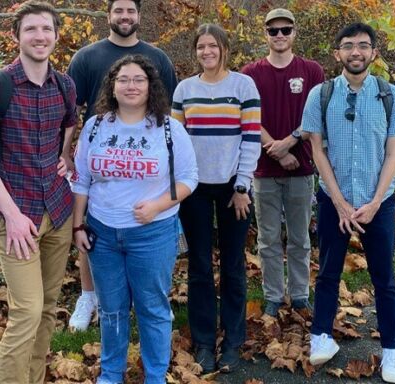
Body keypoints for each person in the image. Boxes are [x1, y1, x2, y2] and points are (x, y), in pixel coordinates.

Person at [0, 1, 77, 383]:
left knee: (47, 307)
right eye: (30, 29)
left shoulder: (64, 84)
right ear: (16, 36)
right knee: (27, 309)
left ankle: (32, 376)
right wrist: (12, 216)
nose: (39, 36)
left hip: (59, 211)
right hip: (18, 215)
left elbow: (68, 123)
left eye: (46, 29)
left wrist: (65, 157)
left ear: (57, 36)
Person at [71, 54, 197, 384]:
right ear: (112, 86)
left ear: (150, 86)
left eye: (138, 80)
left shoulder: (169, 129)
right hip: (103, 233)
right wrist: (77, 224)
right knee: (111, 310)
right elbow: (81, 179)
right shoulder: (96, 125)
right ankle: (111, 374)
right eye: (123, 79)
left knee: (152, 309)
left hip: (152, 233)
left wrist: (157, 205)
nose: (130, 86)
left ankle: (155, 376)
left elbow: (189, 178)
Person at [301, 23, 395, 383]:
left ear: (374, 53)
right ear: (337, 53)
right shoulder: (321, 94)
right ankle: (321, 336)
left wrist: (376, 201)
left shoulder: (391, 95)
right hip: (334, 199)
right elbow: (317, 150)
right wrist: (338, 201)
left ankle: (393, 350)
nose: (356, 52)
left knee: (383, 277)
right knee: (328, 272)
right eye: (348, 46)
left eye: (363, 46)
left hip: (376, 203)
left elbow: (394, 153)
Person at [66, 0, 178, 331]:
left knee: (155, 232)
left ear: (139, 16)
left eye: (131, 11)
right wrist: (65, 152)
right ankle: (89, 296)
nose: (125, 17)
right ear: (109, 15)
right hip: (102, 159)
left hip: (146, 163)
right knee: (92, 230)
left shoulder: (157, 58)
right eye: (119, 11)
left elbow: (168, 111)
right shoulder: (87, 58)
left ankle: (155, 299)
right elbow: (70, 111)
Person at [172, 23, 261, 373]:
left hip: (232, 189)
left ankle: (234, 341)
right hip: (194, 188)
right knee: (199, 266)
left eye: (213, 46)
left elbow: (251, 139)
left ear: (225, 48)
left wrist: (242, 186)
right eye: (201, 47)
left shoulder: (243, 86)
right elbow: (176, 140)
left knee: (233, 265)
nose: (207, 52)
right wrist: (179, 184)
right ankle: (205, 341)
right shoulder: (185, 89)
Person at [241, 8, 324, 316]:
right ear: (265, 34)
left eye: (285, 30)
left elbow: (315, 115)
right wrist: (274, 148)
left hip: (301, 168)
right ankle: (274, 297)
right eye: (273, 30)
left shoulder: (312, 70)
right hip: (263, 172)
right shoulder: (250, 73)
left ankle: (300, 295)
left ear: (294, 33)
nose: (279, 36)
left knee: (301, 239)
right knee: (268, 240)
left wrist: (290, 142)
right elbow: (248, 117)